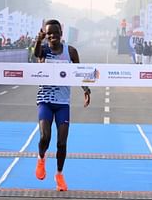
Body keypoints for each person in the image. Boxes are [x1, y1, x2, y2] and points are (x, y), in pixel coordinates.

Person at [34, 19, 91, 191]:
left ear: (61, 33)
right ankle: (41, 159)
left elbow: (79, 72)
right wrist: (38, 40)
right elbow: (36, 55)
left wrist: (86, 89)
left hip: (62, 103)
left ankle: (59, 174)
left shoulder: (71, 51)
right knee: (45, 137)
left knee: (61, 143)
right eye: (49, 33)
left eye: (55, 32)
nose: (52, 36)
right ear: (46, 34)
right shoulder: (43, 50)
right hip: (45, 100)